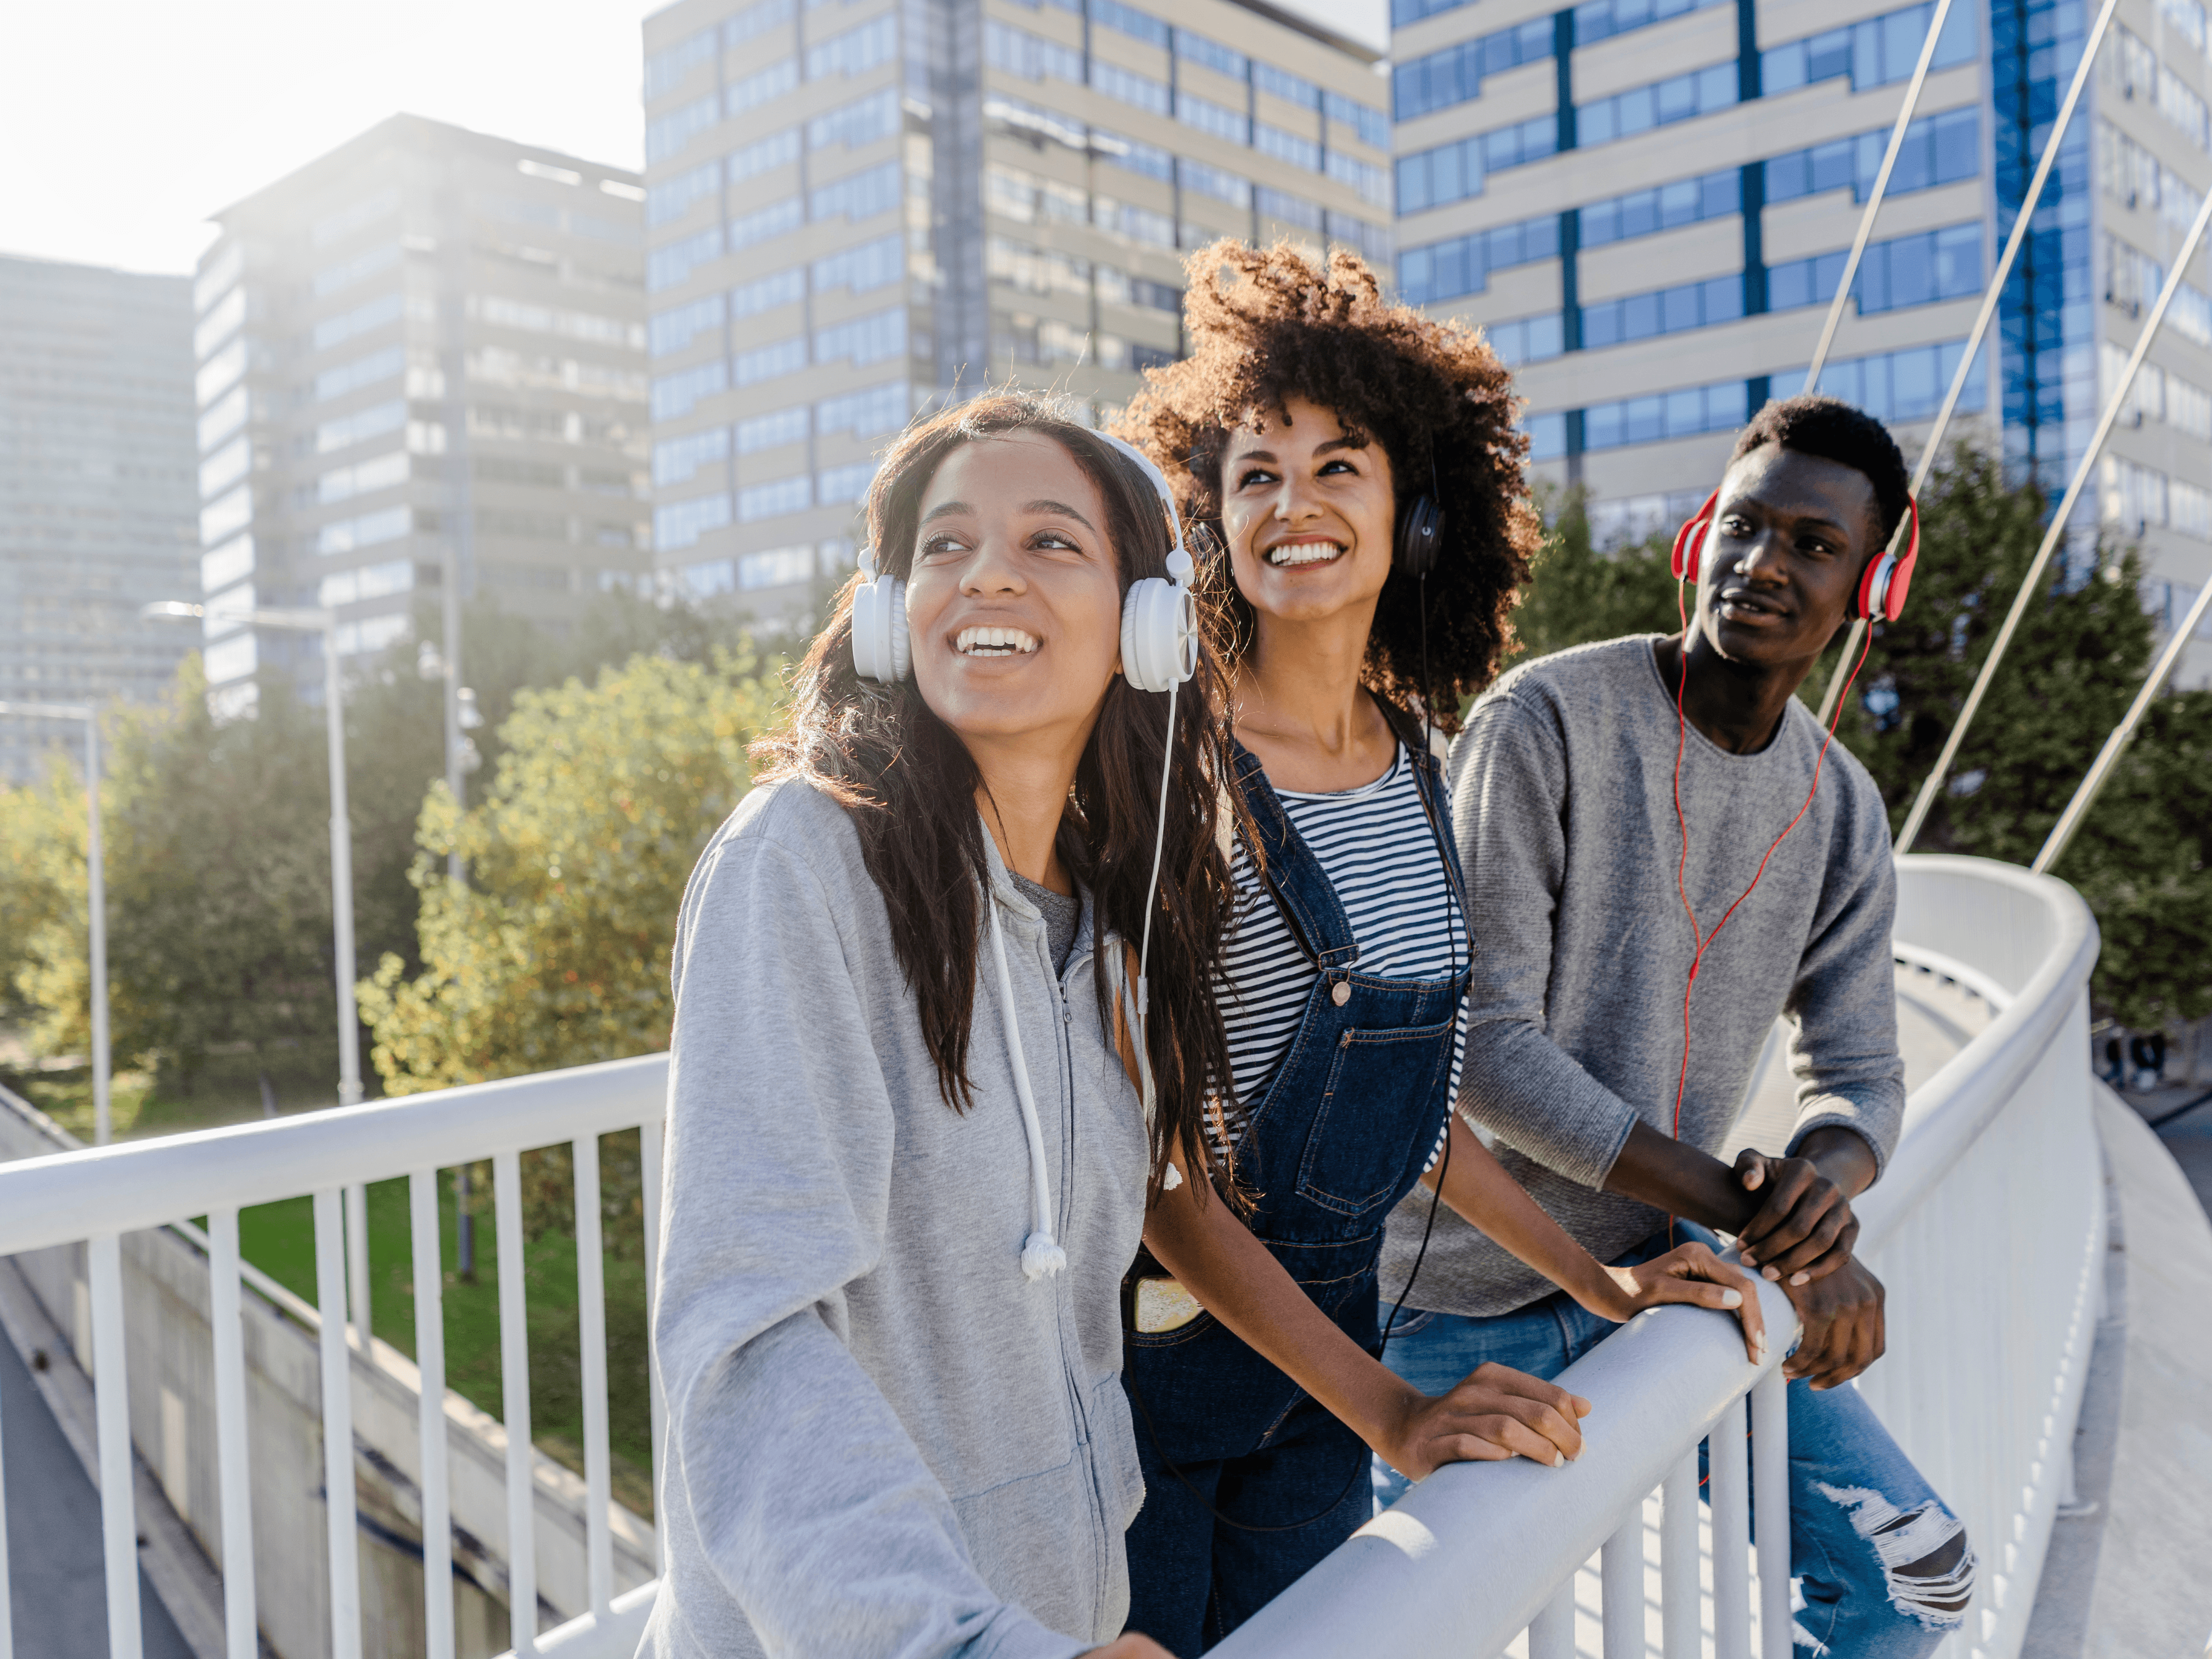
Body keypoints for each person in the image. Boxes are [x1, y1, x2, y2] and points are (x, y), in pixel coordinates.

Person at [1110, 242, 1762, 1655]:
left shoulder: (1415, 756)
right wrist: (1396, 1413)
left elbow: (1415, 1107)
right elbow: (1161, 1180)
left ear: (1414, 513)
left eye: (1341, 465)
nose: (1295, 504)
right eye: (1256, 473)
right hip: (1151, 1387)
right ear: (1208, 518)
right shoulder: (1171, 766)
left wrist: (1611, 1287)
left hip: (1319, 1379)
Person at [1374, 395, 1977, 1655]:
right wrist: (1759, 1215)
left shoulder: (1845, 810)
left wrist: (1819, 1193)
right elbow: (1482, 1048)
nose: (1766, 564)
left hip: (1665, 1287)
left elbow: (1863, 1071)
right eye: (1748, 528)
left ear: (1876, 582)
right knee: (1429, 1631)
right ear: (1701, 533)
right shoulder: (1544, 722)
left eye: (1816, 544)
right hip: (1450, 1304)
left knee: (1915, 1576)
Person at [642, 394, 1238, 1659]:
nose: (986, 579)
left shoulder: (1106, 924)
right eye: (946, 546)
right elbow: (754, 1339)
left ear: (1152, 623)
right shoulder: (796, 862)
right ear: (888, 610)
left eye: (1049, 543)